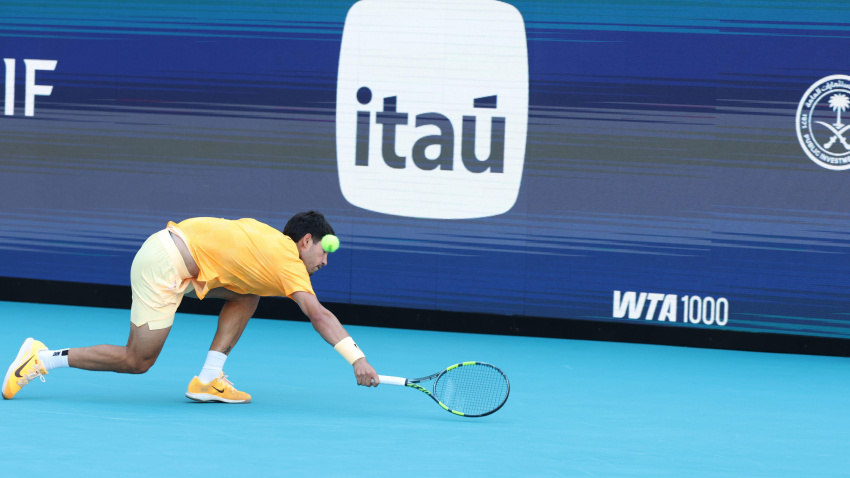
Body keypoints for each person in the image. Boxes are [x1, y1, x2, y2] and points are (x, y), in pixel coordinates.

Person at [2, 211, 380, 403]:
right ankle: (41, 357)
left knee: (248, 293)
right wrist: (357, 358)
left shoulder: (269, 246)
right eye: (322, 252)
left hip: (176, 260)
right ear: (306, 240)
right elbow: (319, 314)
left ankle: (208, 379)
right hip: (165, 264)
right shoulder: (286, 261)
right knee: (138, 360)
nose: (324, 262)